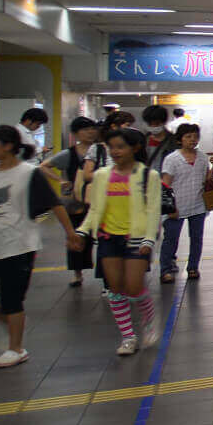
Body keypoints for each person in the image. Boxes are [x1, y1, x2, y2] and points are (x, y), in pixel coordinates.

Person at [0, 125, 84, 368]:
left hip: (20, 245)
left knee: (12, 297)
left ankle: (16, 348)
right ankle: (10, 324)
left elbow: (54, 204)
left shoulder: (29, 173)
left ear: (8, 146)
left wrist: (70, 233)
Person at [79, 129, 166, 355]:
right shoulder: (101, 175)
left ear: (135, 148)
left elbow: (153, 209)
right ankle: (128, 336)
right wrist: (82, 231)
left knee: (135, 286)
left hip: (137, 238)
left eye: (120, 147)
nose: (115, 152)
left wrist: (149, 238)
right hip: (109, 237)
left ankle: (148, 321)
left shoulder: (149, 176)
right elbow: (96, 208)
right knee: (115, 289)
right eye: (112, 147)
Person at [48, 116, 104, 288]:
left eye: (92, 129)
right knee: (76, 236)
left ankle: (105, 275)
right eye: (85, 130)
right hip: (76, 202)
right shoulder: (68, 154)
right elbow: (44, 166)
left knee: (104, 238)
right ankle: (77, 273)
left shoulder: (103, 150)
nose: (90, 132)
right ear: (75, 133)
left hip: (100, 200)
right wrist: (61, 181)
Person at [157, 122, 213, 284]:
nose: (192, 140)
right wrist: (169, 207)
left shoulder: (202, 157)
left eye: (195, 137)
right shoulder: (172, 159)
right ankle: (166, 269)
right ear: (180, 139)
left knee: (197, 238)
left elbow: (205, 180)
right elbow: (166, 184)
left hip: (198, 206)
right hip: (177, 207)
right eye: (188, 136)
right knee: (171, 239)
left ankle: (193, 267)